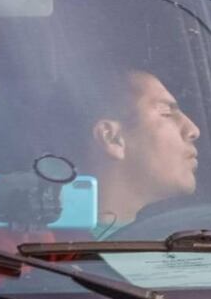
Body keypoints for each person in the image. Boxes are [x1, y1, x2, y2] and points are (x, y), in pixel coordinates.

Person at [82, 69, 201, 230]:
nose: (193, 131)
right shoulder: (54, 249)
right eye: (166, 112)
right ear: (112, 138)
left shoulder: (174, 242)